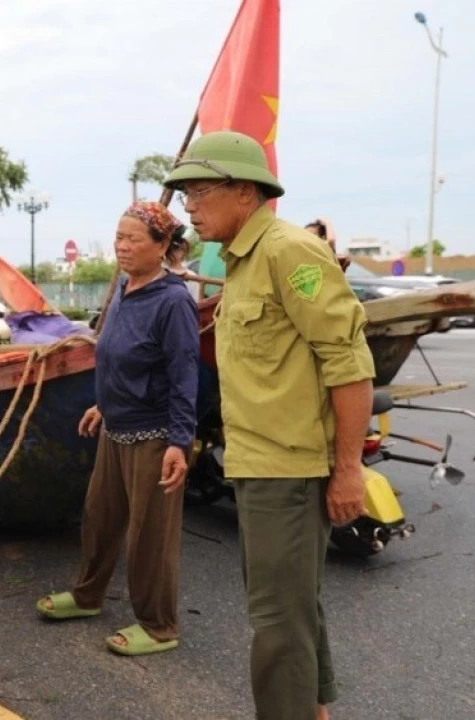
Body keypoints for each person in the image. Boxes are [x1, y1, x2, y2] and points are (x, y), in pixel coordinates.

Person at [163, 131, 375, 720]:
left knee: (279, 627)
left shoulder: (287, 252)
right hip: (259, 465)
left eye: (199, 192)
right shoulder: (242, 260)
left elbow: (349, 364)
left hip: (292, 469)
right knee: (293, 612)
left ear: (243, 192)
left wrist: (349, 470)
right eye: (187, 196)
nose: (191, 208)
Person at [36, 202, 199, 658]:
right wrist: (103, 405)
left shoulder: (173, 302)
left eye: (133, 239)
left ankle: (159, 624)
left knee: (150, 535)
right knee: (99, 518)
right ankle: (88, 596)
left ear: (162, 246)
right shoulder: (125, 289)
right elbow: (116, 357)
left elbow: (184, 375)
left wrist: (179, 443)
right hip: (116, 428)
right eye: (118, 237)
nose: (122, 247)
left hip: (154, 435)